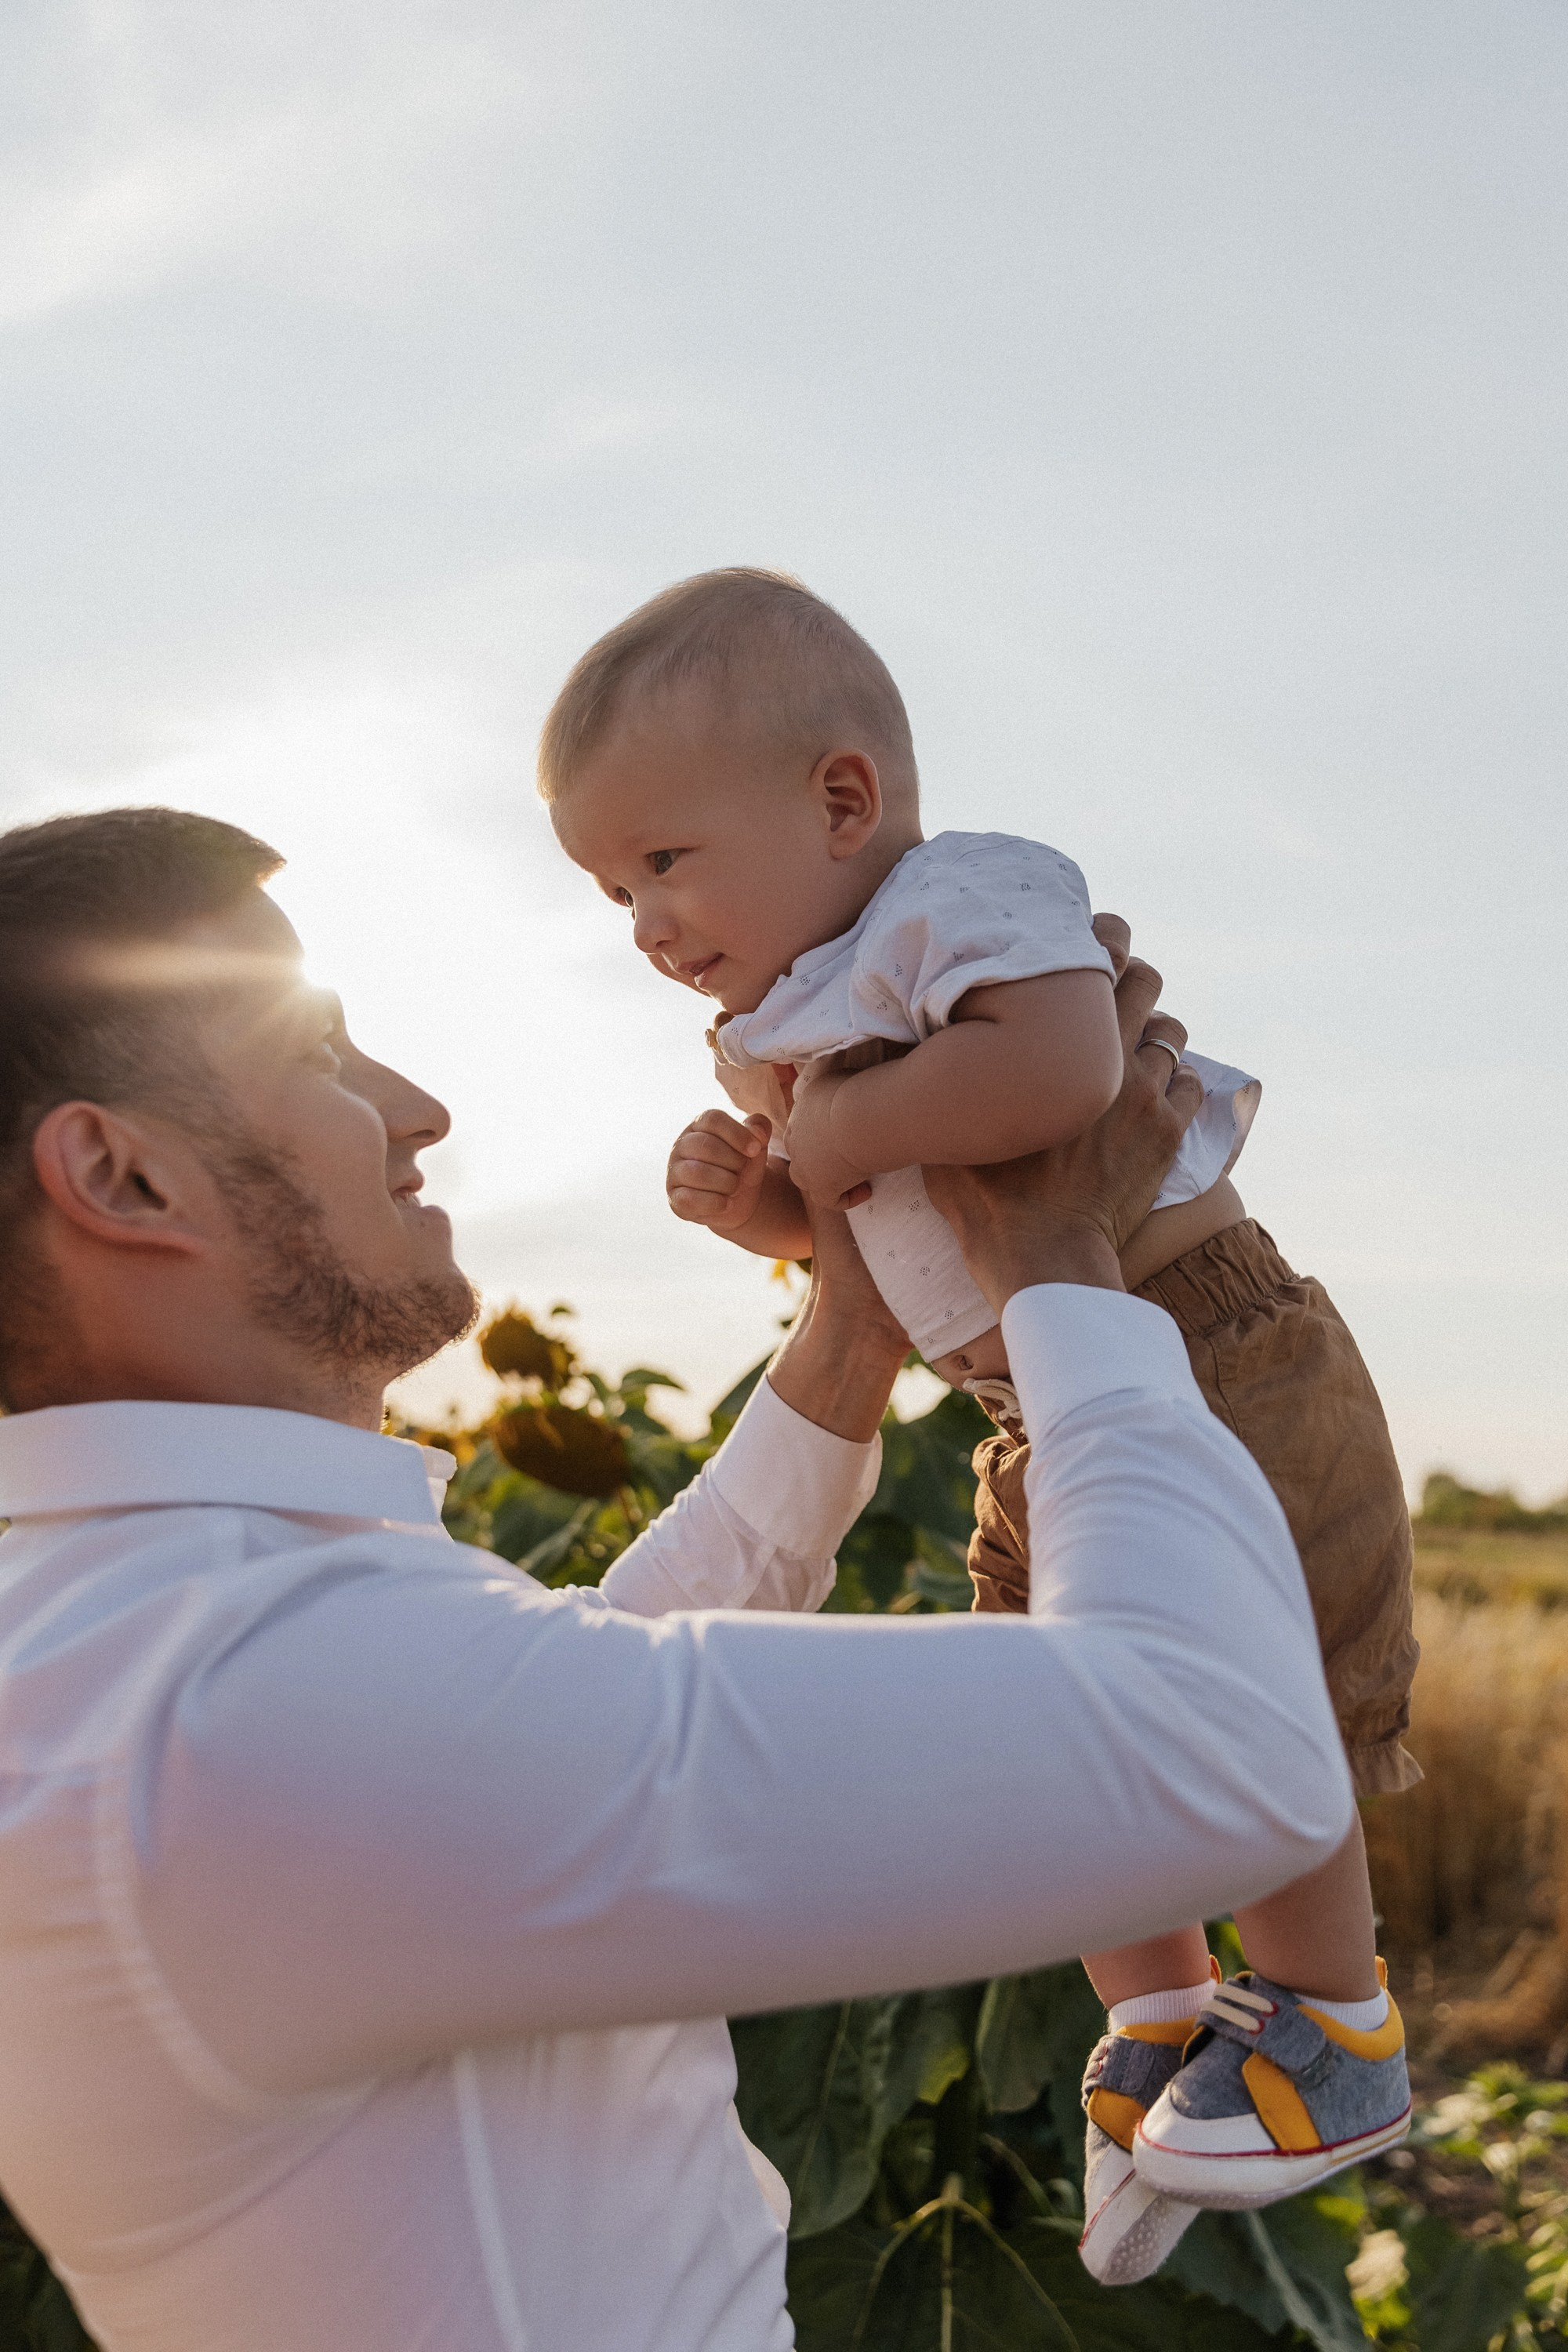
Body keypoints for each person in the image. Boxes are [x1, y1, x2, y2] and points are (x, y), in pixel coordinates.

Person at [0, 805, 1346, 2352]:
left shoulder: (161, 1645)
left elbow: (560, 1710)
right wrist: (1057, 1256)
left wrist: (850, 1331)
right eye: (320, 1056)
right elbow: (1215, 1751)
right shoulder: (230, 1714)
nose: (418, 1109)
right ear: (123, 1174)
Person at [541, 568, 1419, 2282]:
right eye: (604, 888)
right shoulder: (779, 1028)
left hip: (1206, 1358)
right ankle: (1164, 2013)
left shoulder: (959, 904)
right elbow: (893, 1237)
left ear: (842, 799)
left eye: (663, 860)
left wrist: (824, 1132)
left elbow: (1057, 1087)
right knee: (1058, 1748)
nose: (640, 920)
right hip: (1036, 1405)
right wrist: (769, 1211)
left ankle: (1336, 2024)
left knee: (1263, 1688)